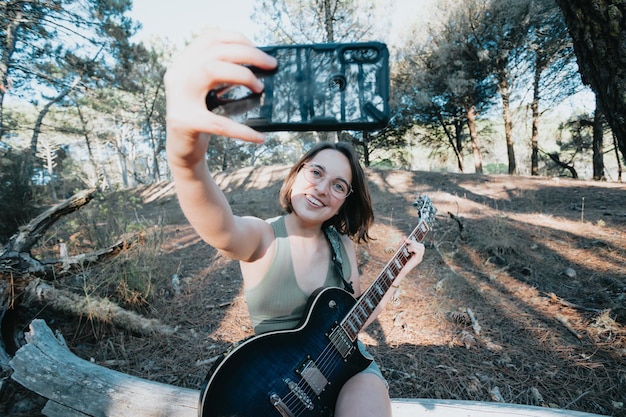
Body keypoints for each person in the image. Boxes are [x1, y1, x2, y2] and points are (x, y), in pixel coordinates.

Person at [165, 29, 425, 417]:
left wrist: (401, 268)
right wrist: (186, 160)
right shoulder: (262, 236)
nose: (322, 189)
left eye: (339, 186)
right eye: (316, 172)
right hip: (272, 383)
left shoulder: (343, 247)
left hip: (350, 371)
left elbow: (353, 320)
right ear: (297, 173)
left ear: (342, 203)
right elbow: (218, 226)